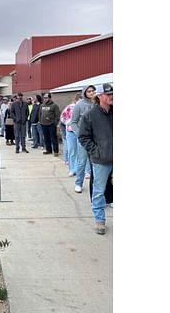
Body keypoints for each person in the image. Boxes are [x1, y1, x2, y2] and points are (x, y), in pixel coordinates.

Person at [78, 83, 113, 235]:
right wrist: (96, 152)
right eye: (109, 94)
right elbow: (83, 137)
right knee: (99, 191)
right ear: (99, 96)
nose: (112, 96)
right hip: (101, 160)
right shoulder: (89, 115)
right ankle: (100, 220)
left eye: (113, 93)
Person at [70, 84, 96, 193]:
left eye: (93, 91)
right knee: (82, 161)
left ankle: (96, 187)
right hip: (84, 139)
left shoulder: (98, 104)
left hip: (96, 138)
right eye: (89, 91)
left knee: (96, 164)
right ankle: (78, 183)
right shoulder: (79, 105)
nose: (91, 93)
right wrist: (79, 134)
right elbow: (73, 122)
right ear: (85, 93)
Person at [61, 94, 81, 172]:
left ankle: (86, 171)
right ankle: (72, 169)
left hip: (81, 132)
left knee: (82, 152)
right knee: (72, 151)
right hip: (71, 131)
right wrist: (68, 122)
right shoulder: (69, 107)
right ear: (75, 101)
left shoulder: (84, 107)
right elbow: (62, 118)